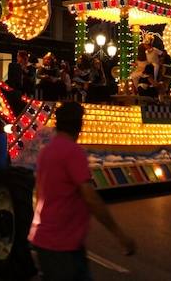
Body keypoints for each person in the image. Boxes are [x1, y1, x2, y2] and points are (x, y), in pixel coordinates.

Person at [29, 102, 135, 280]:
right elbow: (90, 198)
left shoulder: (46, 152)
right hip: (62, 246)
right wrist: (119, 234)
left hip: (48, 240)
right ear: (79, 124)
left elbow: (40, 194)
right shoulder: (73, 152)